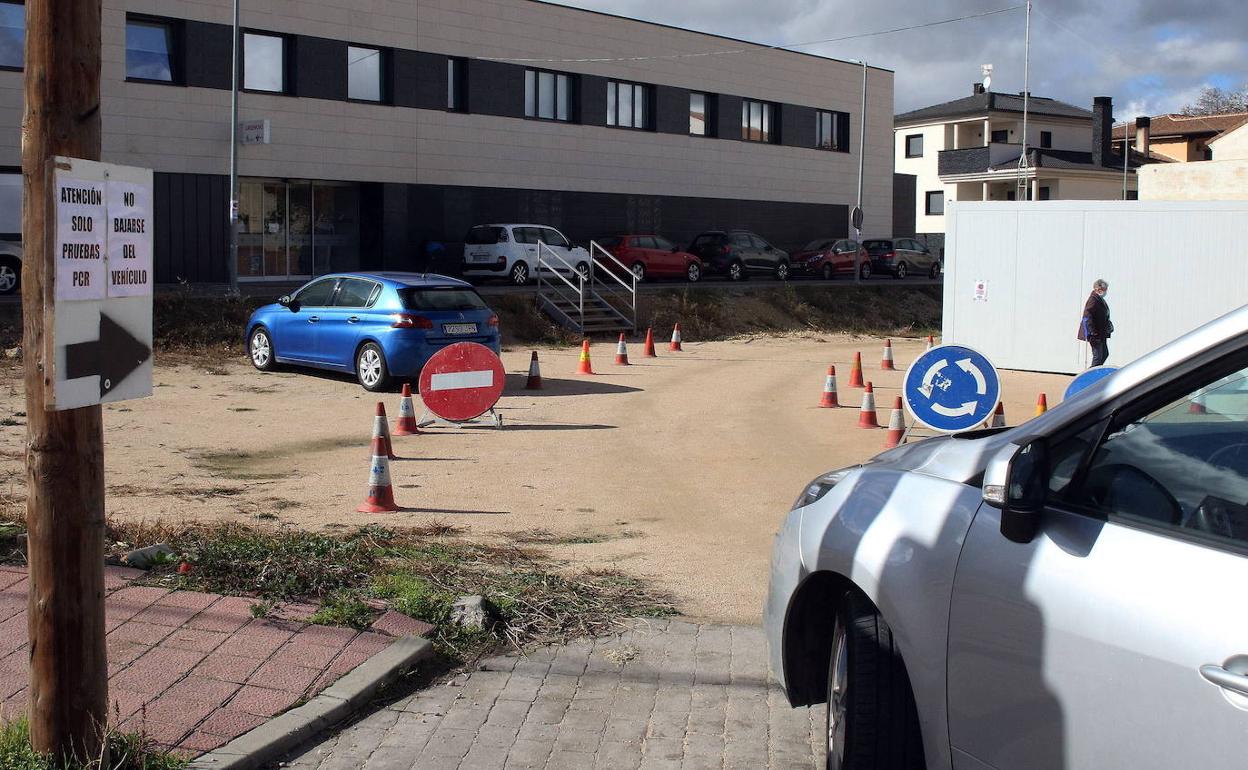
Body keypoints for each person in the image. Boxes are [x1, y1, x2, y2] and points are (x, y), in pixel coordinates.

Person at [1077, 279, 1113, 367]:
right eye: (1104, 289)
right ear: (1098, 289)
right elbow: (1087, 316)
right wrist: (1091, 332)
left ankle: (1096, 371)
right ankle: (1090, 375)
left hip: (1101, 332)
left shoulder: (1099, 299)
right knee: (1098, 356)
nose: (1105, 292)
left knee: (1104, 354)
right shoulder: (1093, 299)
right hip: (1095, 333)